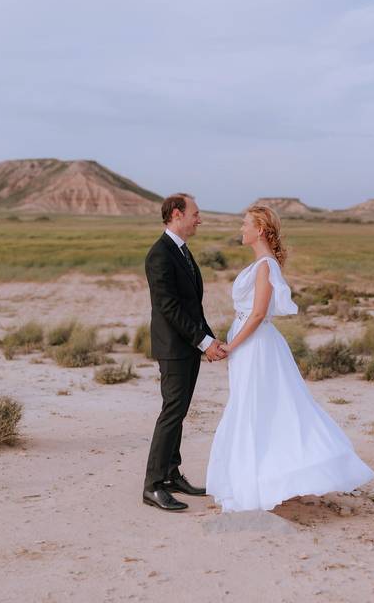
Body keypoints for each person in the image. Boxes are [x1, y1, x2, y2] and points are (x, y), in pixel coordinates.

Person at [206, 205, 374, 512]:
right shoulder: (261, 264)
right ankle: (267, 475)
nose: (241, 230)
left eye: (245, 224)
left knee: (256, 407)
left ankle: (265, 480)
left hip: (255, 346)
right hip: (251, 343)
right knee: (258, 406)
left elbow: (258, 314)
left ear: (259, 230)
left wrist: (232, 346)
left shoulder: (265, 266)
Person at [142, 193, 227, 512]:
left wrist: (207, 339)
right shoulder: (160, 254)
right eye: (195, 213)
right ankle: (152, 485)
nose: (199, 219)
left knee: (179, 412)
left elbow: (193, 306)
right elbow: (169, 308)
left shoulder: (182, 251)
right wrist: (203, 342)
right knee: (171, 413)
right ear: (177, 214)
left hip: (187, 345)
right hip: (174, 348)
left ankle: (171, 474)